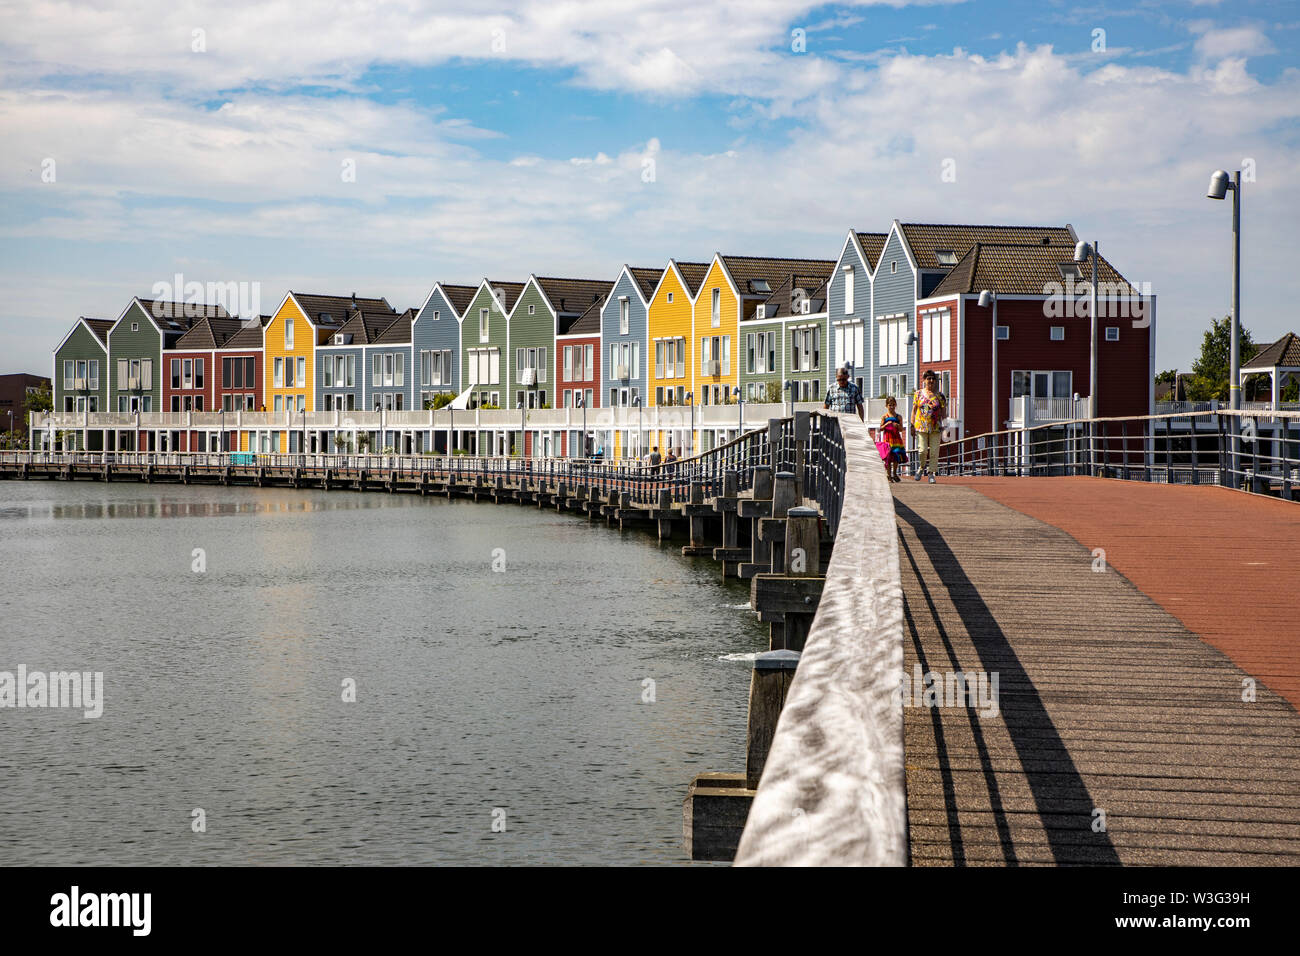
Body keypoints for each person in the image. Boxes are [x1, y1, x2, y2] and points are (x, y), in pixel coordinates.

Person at [911, 369, 947, 483]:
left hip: (935, 427)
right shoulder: (918, 394)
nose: (931, 381)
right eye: (929, 378)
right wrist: (912, 425)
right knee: (922, 450)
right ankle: (921, 467)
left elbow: (944, 412)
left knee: (934, 451)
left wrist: (945, 426)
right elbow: (914, 410)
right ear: (924, 380)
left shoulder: (940, 396)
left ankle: (931, 473)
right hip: (921, 426)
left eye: (933, 379)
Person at [878, 396, 907, 482]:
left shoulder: (898, 417)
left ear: (895, 405)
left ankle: (894, 473)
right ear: (886, 406)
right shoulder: (884, 417)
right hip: (887, 439)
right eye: (890, 405)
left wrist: (897, 426)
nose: (891, 407)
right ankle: (888, 475)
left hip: (896, 439)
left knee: (897, 456)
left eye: (893, 405)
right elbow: (880, 428)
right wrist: (886, 425)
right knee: (888, 457)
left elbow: (901, 429)